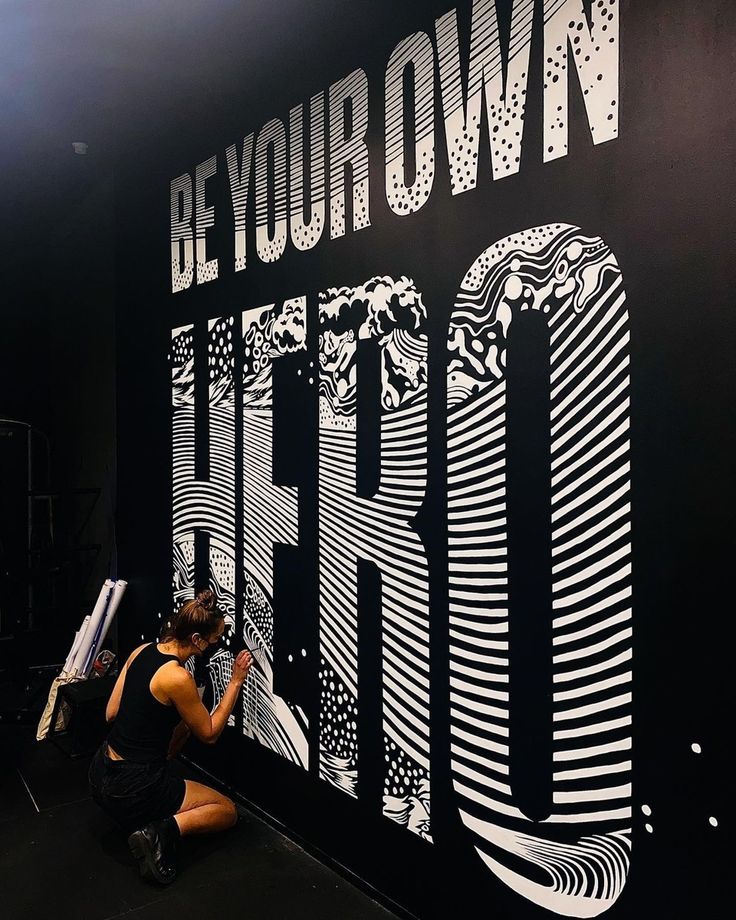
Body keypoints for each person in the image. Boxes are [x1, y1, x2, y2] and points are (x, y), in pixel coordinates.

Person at [88, 588, 252, 884]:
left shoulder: (141, 651)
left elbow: (111, 713)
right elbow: (211, 733)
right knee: (226, 811)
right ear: (197, 640)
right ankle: (160, 832)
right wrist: (236, 681)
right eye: (213, 641)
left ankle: (140, 815)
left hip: (100, 772)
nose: (214, 647)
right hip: (133, 787)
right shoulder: (178, 677)